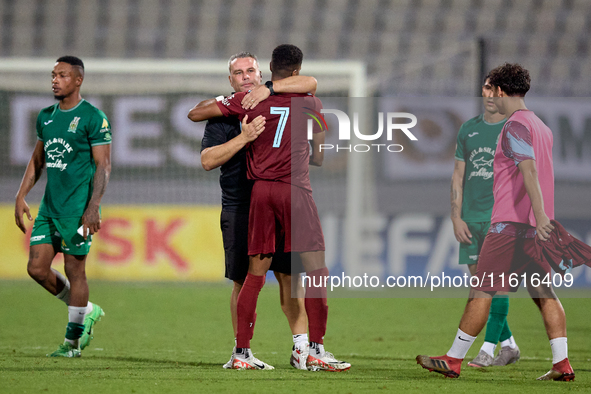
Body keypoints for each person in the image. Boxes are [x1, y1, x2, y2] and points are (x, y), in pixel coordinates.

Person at [188, 44, 350, 372]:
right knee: (315, 271)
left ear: (265, 72)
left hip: (260, 194)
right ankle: (315, 349)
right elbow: (319, 155)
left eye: (251, 72)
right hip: (283, 194)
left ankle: (249, 352)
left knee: (256, 277)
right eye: (238, 73)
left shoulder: (241, 106)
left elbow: (195, 112)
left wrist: (251, 102)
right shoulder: (310, 103)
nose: (246, 77)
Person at [418, 63, 574, 381]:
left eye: (491, 90)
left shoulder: (514, 125)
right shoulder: (543, 127)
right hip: (536, 227)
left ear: (500, 91)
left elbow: (529, 171)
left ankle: (454, 358)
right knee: (544, 291)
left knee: (482, 290)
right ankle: (562, 363)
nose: (488, 95)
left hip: (511, 225)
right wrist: (543, 218)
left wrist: (539, 214)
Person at [14, 56, 110, 358]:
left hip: (78, 210)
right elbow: (38, 160)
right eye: (53, 75)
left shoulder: (93, 117)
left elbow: (103, 165)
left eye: (63, 75)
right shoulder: (46, 116)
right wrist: (20, 195)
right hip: (49, 209)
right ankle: (86, 310)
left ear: (78, 80)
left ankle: (72, 344)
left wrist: (94, 206)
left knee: (75, 270)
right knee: (37, 268)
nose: (56, 80)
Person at [451, 75, 520, 368]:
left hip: (501, 220)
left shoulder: (514, 129)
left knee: (496, 286)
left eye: (497, 89)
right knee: (479, 290)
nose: (491, 94)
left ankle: (487, 351)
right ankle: (510, 345)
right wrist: (456, 216)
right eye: (487, 87)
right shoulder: (469, 129)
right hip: (471, 219)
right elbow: (457, 175)